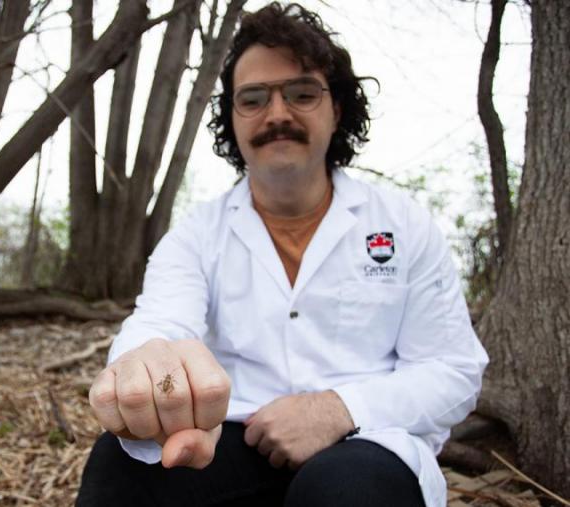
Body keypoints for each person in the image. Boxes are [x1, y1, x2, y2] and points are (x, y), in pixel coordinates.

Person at [76, 3, 488, 507]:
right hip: (235, 434)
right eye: (253, 99)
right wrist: (143, 371)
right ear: (232, 117)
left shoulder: (404, 224)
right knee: (120, 469)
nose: (277, 114)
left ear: (337, 108)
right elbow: (160, 324)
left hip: (368, 442)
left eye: (301, 93)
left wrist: (337, 408)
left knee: (347, 493)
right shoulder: (197, 234)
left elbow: (452, 368)